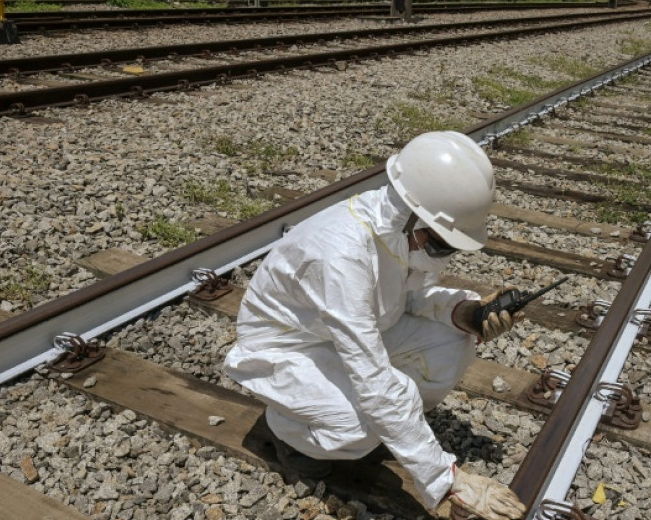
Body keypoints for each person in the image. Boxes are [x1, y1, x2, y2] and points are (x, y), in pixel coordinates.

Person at [224, 131, 525, 520]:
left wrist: (462, 312)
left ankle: (389, 428)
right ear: (411, 215)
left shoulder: (397, 234)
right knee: (358, 421)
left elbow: (409, 298)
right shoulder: (341, 258)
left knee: (453, 338)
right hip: (288, 350)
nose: (441, 256)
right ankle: (291, 436)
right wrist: (445, 480)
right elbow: (372, 377)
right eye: (441, 245)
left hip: (345, 333)